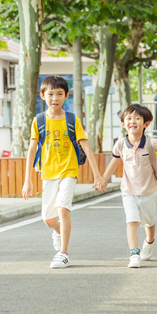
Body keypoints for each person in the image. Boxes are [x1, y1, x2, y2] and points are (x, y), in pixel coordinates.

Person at [22, 75, 105, 269]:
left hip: (69, 171)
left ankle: (63, 253)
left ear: (66, 95)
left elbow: (86, 147)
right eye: (50, 94)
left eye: (60, 94)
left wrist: (98, 174)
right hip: (48, 173)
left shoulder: (72, 120)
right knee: (48, 218)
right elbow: (32, 150)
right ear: (42, 96)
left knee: (63, 209)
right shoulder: (39, 120)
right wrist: (28, 180)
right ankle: (59, 232)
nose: (55, 98)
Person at [99, 104, 157, 268]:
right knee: (131, 220)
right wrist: (103, 179)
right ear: (124, 124)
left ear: (146, 124)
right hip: (128, 191)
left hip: (149, 191)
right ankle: (134, 253)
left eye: (137, 118)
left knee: (148, 222)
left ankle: (150, 241)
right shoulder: (120, 144)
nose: (133, 121)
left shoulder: (150, 143)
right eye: (129, 118)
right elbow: (113, 163)